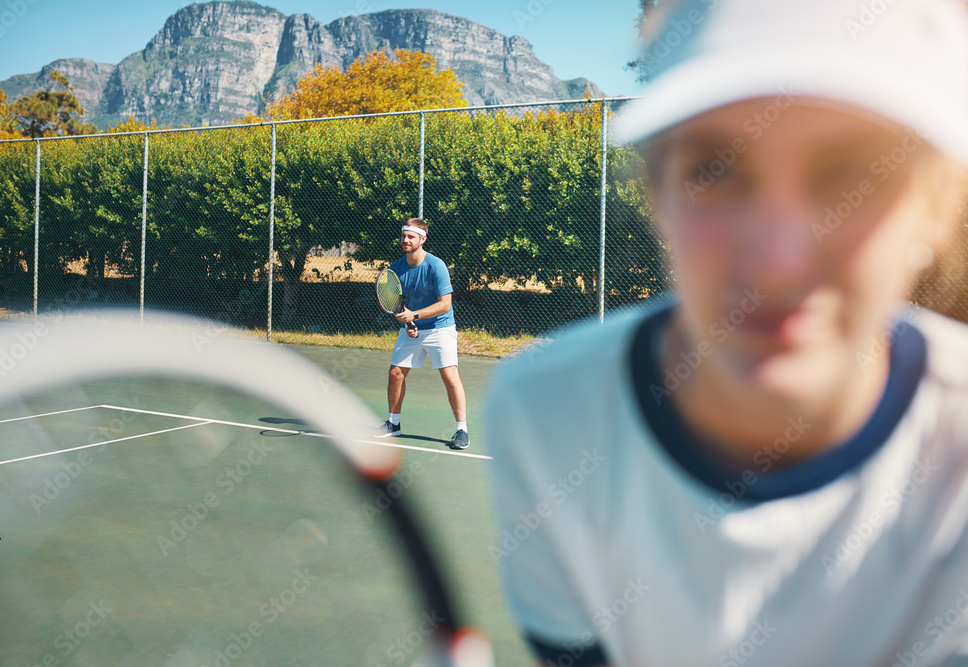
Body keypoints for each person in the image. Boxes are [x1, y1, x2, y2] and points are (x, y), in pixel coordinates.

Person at [484, 0, 968, 665]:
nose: (777, 260)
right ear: (656, 193)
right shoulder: (542, 415)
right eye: (714, 170)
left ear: (938, 208)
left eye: (851, 174)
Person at [374, 218, 470, 450]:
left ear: (422, 239)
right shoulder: (395, 269)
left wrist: (415, 316)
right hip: (412, 326)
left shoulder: (436, 265)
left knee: (449, 376)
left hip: (440, 327)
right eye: (403, 236)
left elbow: (445, 304)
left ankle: (462, 430)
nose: (405, 240)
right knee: (396, 373)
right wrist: (407, 321)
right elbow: (393, 302)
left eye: (411, 237)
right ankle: (393, 424)